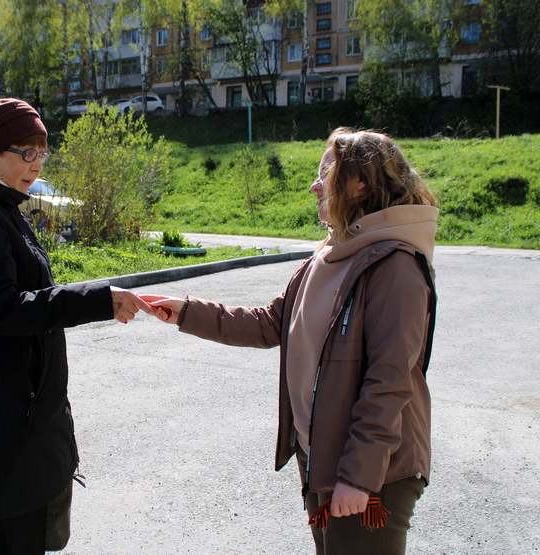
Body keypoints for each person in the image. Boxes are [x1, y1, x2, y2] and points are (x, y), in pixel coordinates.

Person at [142, 127, 438, 555]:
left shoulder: (396, 267)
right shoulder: (329, 255)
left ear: (360, 183)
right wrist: (186, 311)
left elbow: (389, 381)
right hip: (324, 453)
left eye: (326, 174)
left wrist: (359, 477)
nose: (315, 185)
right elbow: (269, 324)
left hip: (374, 472)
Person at [0, 97, 155, 555]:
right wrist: (99, 299)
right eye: (27, 152)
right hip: (7, 427)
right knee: (9, 539)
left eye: (43, 152)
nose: (37, 164)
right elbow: (2, 309)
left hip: (27, 418)